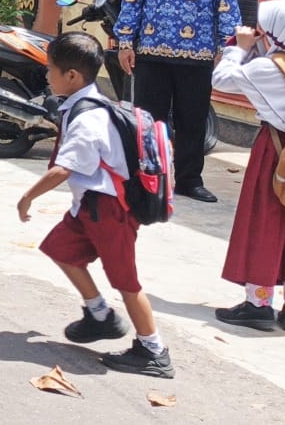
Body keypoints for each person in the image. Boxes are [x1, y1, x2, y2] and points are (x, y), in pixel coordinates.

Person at [17, 32, 175, 378]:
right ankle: (100, 314)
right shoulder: (86, 104)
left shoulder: (89, 118)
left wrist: (28, 197)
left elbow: (64, 168)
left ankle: (154, 351)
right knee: (60, 249)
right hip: (89, 206)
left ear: (72, 76)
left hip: (109, 211)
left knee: (126, 282)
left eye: (51, 69)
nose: (47, 75)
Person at [212, 0, 285, 333]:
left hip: (277, 150)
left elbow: (220, 79)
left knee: (263, 223)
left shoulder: (269, 68)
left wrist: (240, 48)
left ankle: (258, 303)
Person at [114, 0, 241, 203]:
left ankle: (188, 180)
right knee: (148, 121)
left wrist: (226, 49)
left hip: (197, 57)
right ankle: (146, 177)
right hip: (151, 55)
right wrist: (124, 43)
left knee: (192, 122)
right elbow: (131, 4)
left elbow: (227, 8)